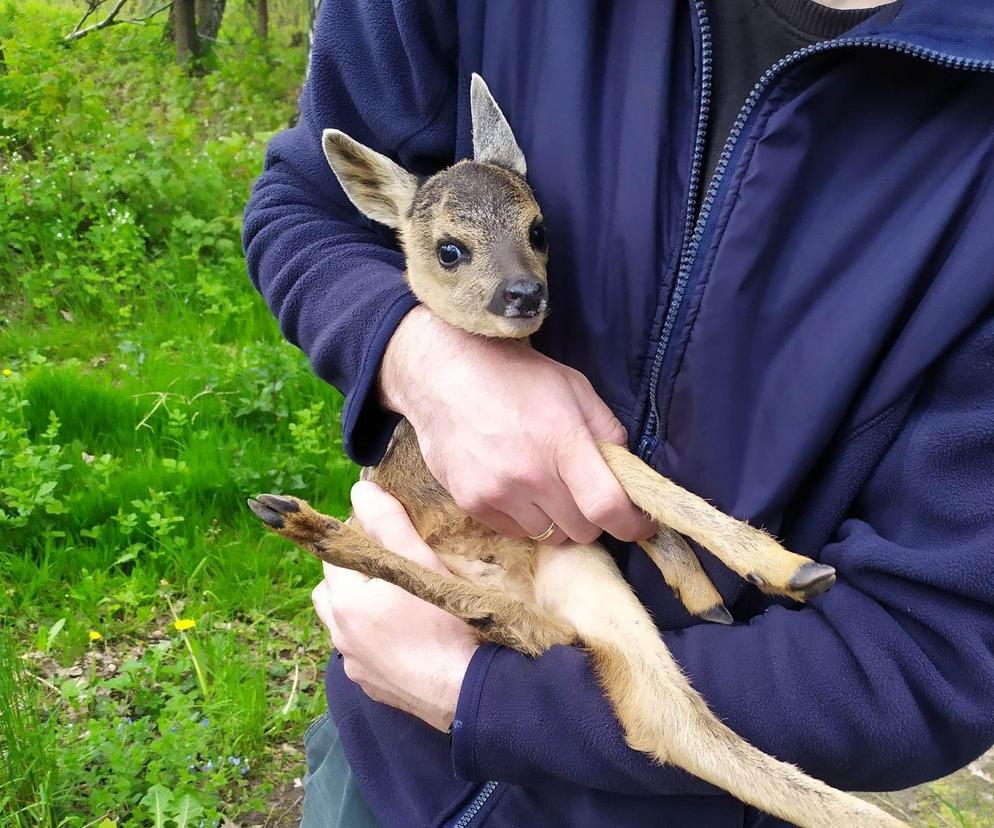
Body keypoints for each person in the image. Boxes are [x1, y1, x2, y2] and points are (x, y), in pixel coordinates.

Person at [242, 1, 994, 825]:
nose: (522, 279)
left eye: (534, 240)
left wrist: (475, 693)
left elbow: (937, 652)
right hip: (392, 771)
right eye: (458, 253)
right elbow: (304, 208)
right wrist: (420, 356)